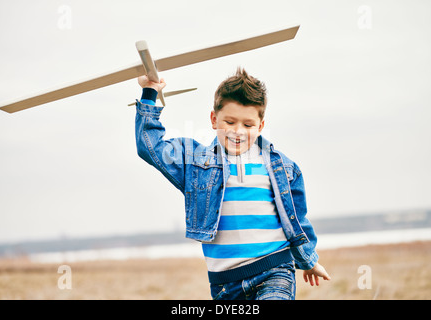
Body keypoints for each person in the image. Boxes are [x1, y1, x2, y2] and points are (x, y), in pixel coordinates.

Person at [135, 68, 330, 300]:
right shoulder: (195, 162)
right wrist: (150, 92)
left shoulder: (283, 169)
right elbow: (151, 147)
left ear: (260, 125)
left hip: (275, 270)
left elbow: (297, 219)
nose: (238, 131)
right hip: (224, 283)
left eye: (248, 125)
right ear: (214, 119)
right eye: (230, 121)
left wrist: (308, 260)